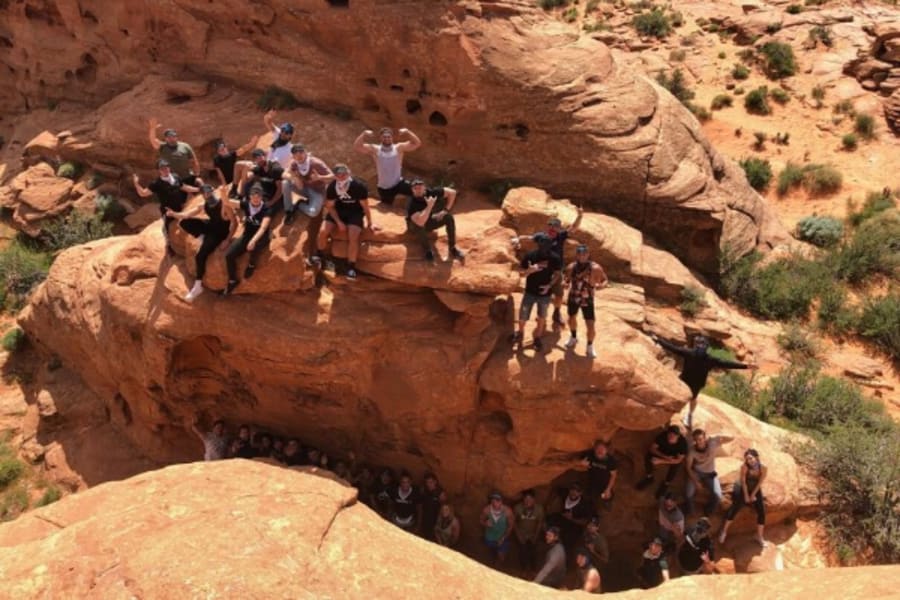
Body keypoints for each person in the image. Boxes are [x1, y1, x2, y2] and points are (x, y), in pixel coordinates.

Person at [651, 333, 753, 428]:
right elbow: (726, 363)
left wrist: (658, 340)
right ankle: (687, 415)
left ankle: (677, 415)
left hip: (686, 380)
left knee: (683, 397)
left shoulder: (690, 353)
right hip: (695, 382)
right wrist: (746, 366)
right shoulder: (709, 359)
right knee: (691, 399)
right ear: (706, 348)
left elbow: (673, 348)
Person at [511, 208, 583, 330]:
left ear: (559, 227)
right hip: (540, 270)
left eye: (554, 225)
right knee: (537, 292)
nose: (551, 227)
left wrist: (580, 216)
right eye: (550, 225)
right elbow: (529, 238)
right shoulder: (541, 236)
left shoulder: (561, 236)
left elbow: (573, 228)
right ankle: (541, 316)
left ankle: (556, 312)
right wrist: (518, 239)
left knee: (559, 295)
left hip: (555, 269)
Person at [164, 184, 235, 302]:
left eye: (208, 192)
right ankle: (202, 236)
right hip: (211, 226)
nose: (206, 194)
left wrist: (227, 240)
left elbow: (235, 222)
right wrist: (173, 214)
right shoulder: (205, 205)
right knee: (184, 222)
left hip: (219, 233)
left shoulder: (223, 205)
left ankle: (198, 286)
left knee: (200, 256)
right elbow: (186, 215)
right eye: (204, 193)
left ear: (212, 190)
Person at [308, 164, 373, 280]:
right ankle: (319, 255)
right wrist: (338, 222)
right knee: (323, 231)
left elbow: (365, 207)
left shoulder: (358, 186)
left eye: (344, 174)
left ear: (349, 173)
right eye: (339, 174)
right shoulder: (332, 187)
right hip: (338, 212)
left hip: (355, 213)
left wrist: (370, 223)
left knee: (353, 236)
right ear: (335, 176)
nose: (342, 176)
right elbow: (330, 207)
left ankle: (351, 267)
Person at [132, 160, 203, 256]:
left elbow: (184, 187)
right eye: (162, 169)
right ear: (159, 171)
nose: (165, 170)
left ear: (169, 168)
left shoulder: (175, 177)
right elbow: (143, 193)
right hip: (168, 211)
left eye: (166, 167)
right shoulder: (157, 183)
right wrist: (136, 184)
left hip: (180, 207)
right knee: (166, 228)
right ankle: (169, 246)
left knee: (187, 222)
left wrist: (198, 189)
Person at [510, 233, 562, 351]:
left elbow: (557, 273)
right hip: (530, 291)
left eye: (547, 245)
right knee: (523, 316)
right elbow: (521, 273)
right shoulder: (530, 256)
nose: (544, 247)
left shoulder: (555, 258)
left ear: (550, 245)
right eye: (542, 244)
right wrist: (530, 270)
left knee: (542, 317)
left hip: (545, 293)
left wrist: (549, 285)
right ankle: (520, 332)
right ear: (538, 244)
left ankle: (537, 338)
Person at [222, 185, 272, 295]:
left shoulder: (266, 209)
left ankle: (251, 265)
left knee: (254, 248)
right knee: (229, 255)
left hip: (261, 236)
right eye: (253, 196)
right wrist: (223, 193)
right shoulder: (246, 204)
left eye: (258, 197)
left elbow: (263, 228)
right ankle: (232, 280)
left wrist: (253, 240)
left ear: (261, 197)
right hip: (247, 234)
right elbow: (227, 202)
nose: (256, 199)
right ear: (249, 197)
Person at [353, 127, 422, 205]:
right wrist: (364, 134)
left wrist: (407, 131)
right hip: (384, 187)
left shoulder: (399, 147)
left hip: (398, 183)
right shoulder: (375, 149)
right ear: (380, 138)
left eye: (388, 137)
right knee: (386, 206)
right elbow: (357, 147)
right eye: (384, 137)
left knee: (418, 191)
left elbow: (417, 143)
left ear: (392, 137)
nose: (386, 139)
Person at [563, 245, 608, 359]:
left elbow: (605, 280)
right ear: (577, 255)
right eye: (580, 254)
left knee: (590, 324)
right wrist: (565, 284)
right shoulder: (571, 267)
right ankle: (573, 337)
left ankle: (590, 346)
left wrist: (600, 286)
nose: (582, 256)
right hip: (573, 296)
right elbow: (566, 279)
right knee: (571, 318)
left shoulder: (595, 268)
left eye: (584, 254)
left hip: (587, 299)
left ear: (588, 255)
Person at [405, 178, 465, 262]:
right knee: (419, 226)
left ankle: (452, 248)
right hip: (414, 226)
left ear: (424, 188)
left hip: (428, 221)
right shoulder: (412, 204)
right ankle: (427, 251)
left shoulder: (430, 193)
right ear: (412, 190)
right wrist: (429, 206)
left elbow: (452, 192)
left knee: (448, 217)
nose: (418, 190)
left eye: (420, 187)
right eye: (415, 188)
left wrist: (445, 210)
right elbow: (420, 222)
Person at [719, 449, 768, 547]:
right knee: (736, 507)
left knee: (761, 511)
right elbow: (743, 482)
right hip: (742, 487)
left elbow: (760, 482)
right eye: (747, 459)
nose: (749, 461)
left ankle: (759, 536)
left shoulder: (763, 467)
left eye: (751, 458)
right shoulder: (744, 467)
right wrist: (746, 496)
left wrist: (753, 495)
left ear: (756, 457)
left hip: (754, 487)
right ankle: (723, 531)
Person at [281, 144, 334, 226]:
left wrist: (320, 177)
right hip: (304, 188)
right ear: (293, 156)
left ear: (305, 152)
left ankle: (300, 204)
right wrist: (295, 177)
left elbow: (332, 177)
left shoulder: (316, 163)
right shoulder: (295, 164)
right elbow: (284, 174)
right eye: (296, 154)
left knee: (313, 212)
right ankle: (289, 210)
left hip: (318, 192)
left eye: (301, 152)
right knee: (285, 183)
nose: (299, 155)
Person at [686, 428, 734, 516]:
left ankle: (708, 511)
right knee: (688, 493)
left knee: (718, 495)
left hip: (710, 473)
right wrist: (696, 482)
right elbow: (688, 467)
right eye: (696, 439)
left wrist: (718, 435)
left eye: (700, 439)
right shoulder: (692, 451)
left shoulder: (712, 443)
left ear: (705, 438)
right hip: (697, 472)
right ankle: (690, 511)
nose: (699, 442)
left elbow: (732, 437)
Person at [636, 424, 688, 499]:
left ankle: (666, 484)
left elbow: (678, 460)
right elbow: (652, 448)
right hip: (662, 453)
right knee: (648, 456)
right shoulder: (662, 436)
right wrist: (665, 457)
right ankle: (649, 477)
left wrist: (661, 461)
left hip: (673, 457)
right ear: (667, 433)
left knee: (676, 466)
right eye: (670, 434)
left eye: (674, 435)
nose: (671, 437)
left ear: (678, 436)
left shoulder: (682, 443)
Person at [147, 119, 200, 184]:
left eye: (173, 136)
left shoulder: (185, 146)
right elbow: (153, 140)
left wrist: (196, 174)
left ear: (176, 137)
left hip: (186, 177)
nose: (172, 139)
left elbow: (194, 161)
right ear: (165, 139)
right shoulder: (163, 147)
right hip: (171, 180)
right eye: (169, 137)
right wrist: (152, 129)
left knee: (199, 184)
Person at [513, 489, 545, 572]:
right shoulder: (518, 508)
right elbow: (513, 522)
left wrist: (536, 536)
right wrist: (518, 535)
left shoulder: (539, 509)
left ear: (534, 500)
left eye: (530, 500)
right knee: (522, 551)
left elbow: (540, 523)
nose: (527, 502)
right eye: (526, 499)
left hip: (533, 533)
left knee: (534, 551)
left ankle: (533, 570)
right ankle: (523, 569)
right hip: (521, 533)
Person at [581, 439, 618, 511]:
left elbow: (613, 475)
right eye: (598, 448)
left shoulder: (611, 461)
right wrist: (581, 462)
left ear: (606, 450)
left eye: (602, 449)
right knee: (590, 495)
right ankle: (591, 506)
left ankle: (607, 502)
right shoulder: (590, 455)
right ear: (594, 449)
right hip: (592, 481)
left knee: (606, 495)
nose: (600, 451)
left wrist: (608, 489)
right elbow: (577, 461)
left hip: (604, 484)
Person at [480, 491, 515, 565]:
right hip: (490, 537)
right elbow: (481, 520)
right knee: (492, 552)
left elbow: (510, 526)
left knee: (501, 556)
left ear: (501, 501)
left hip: (503, 537)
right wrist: (485, 523)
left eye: (497, 500)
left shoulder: (507, 511)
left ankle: (499, 568)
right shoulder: (487, 510)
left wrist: (503, 538)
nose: (495, 502)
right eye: (493, 500)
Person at [420, 472, 446, 541]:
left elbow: (444, 507)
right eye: (427, 482)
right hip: (425, 517)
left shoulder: (440, 493)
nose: (429, 484)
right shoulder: (424, 490)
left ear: (435, 482)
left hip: (435, 518)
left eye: (431, 482)